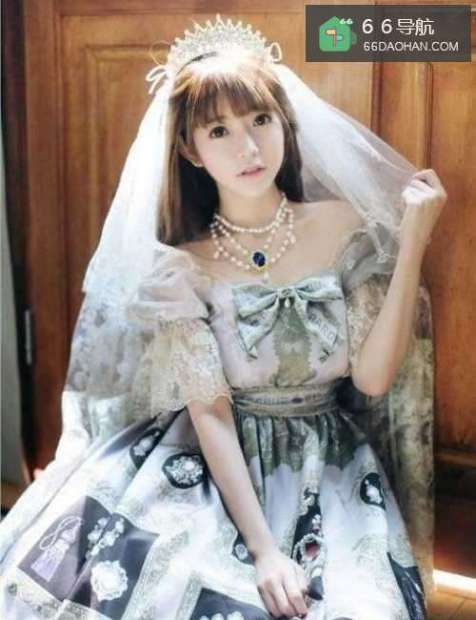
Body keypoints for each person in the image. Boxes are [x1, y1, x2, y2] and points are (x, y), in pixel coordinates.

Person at [0, 14, 446, 620]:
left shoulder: (344, 228)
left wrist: (414, 242)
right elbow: (209, 413)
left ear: (283, 120)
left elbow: (371, 378)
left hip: (327, 464)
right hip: (212, 459)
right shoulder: (182, 267)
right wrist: (264, 553)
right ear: (190, 149)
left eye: (260, 120)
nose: (248, 148)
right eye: (219, 130)